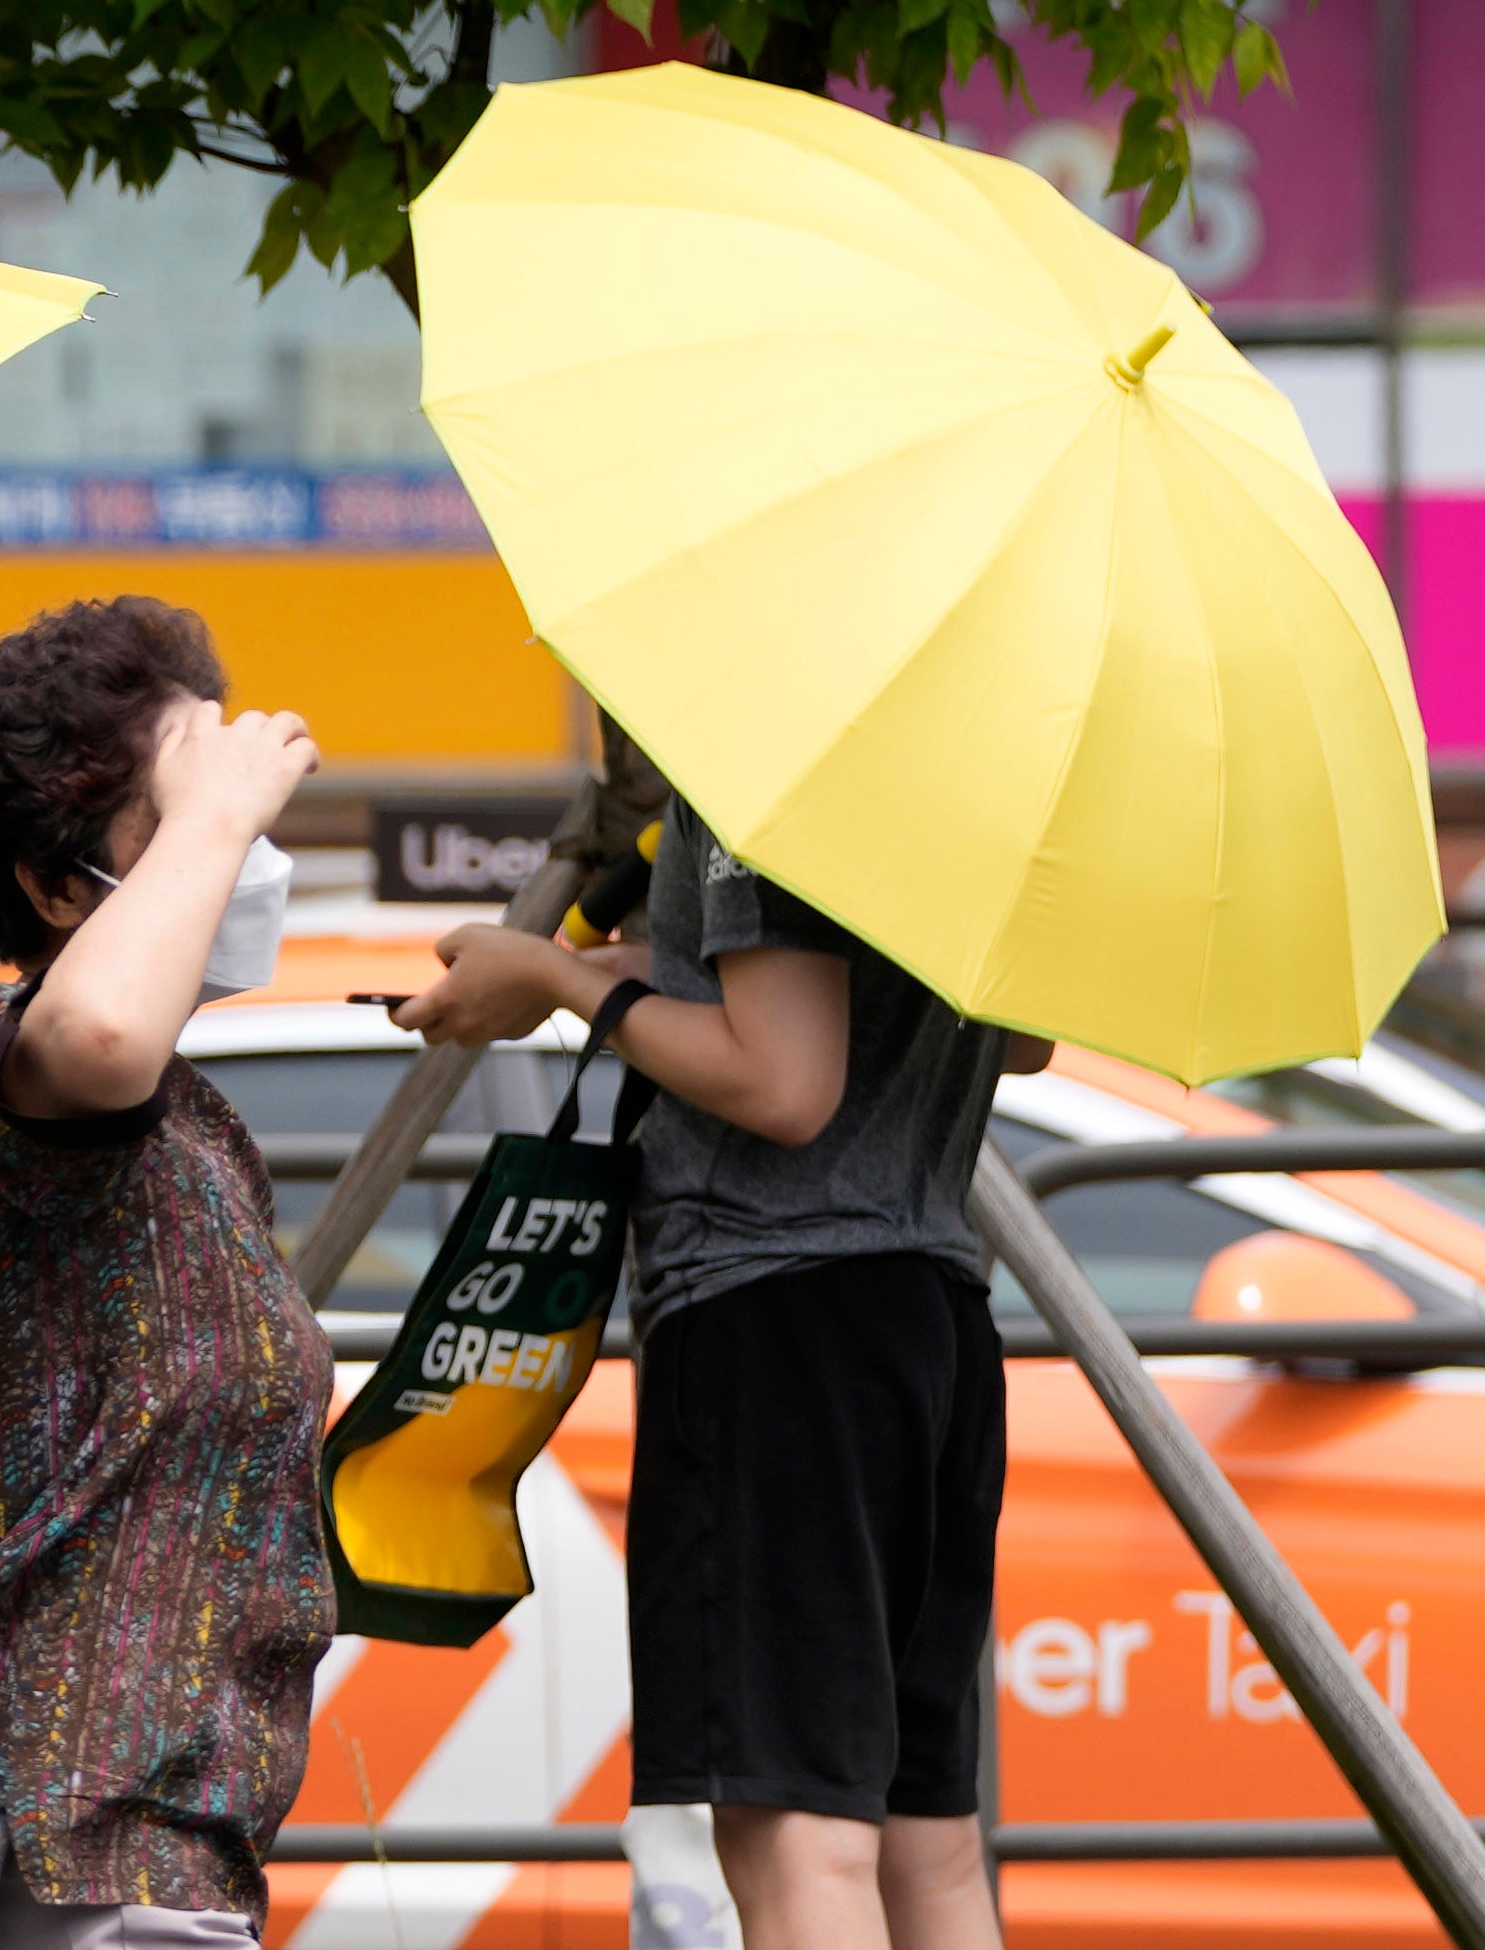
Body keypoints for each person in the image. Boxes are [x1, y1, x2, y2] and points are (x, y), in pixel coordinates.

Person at [393, 793, 1053, 1950]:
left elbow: (785, 1084)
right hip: (933, 1309)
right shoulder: (938, 767)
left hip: (774, 1322)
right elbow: (1023, 1032)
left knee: (797, 1836)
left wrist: (564, 981)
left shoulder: (756, 774)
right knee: (923, 1843)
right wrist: (625, 961)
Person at [0, 597, 333, 1950]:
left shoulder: (184, 1127)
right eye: (190, 812)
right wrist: (211, 816)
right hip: (54, 1823)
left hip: (125, 1823)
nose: (240, 850)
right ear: (48, 888)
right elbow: (90, 1032)